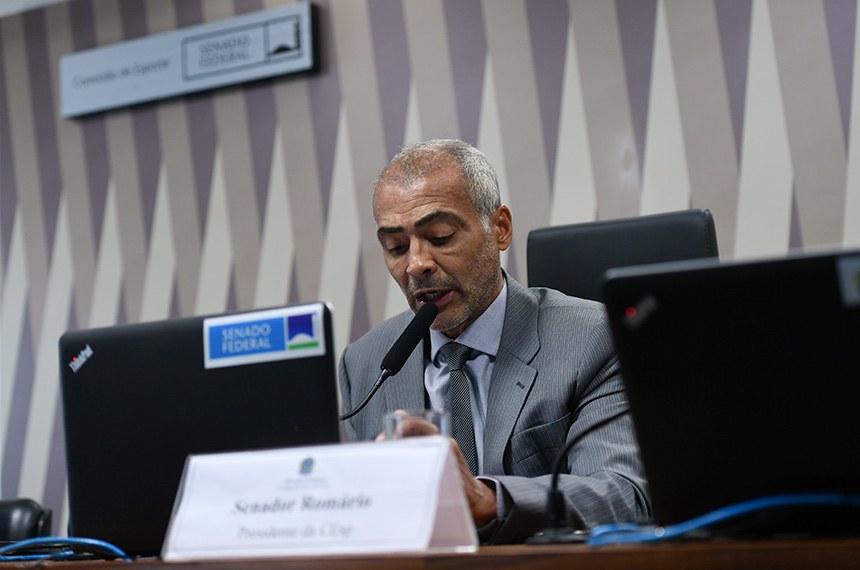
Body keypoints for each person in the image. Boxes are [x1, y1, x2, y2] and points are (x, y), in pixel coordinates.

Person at [338, 139, 650, 544]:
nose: (416, 264)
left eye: (440, 236)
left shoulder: (593, 338)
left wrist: (488, 499)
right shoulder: (364, 363)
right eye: (396, 247)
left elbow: (624, 494)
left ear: (499, 228)